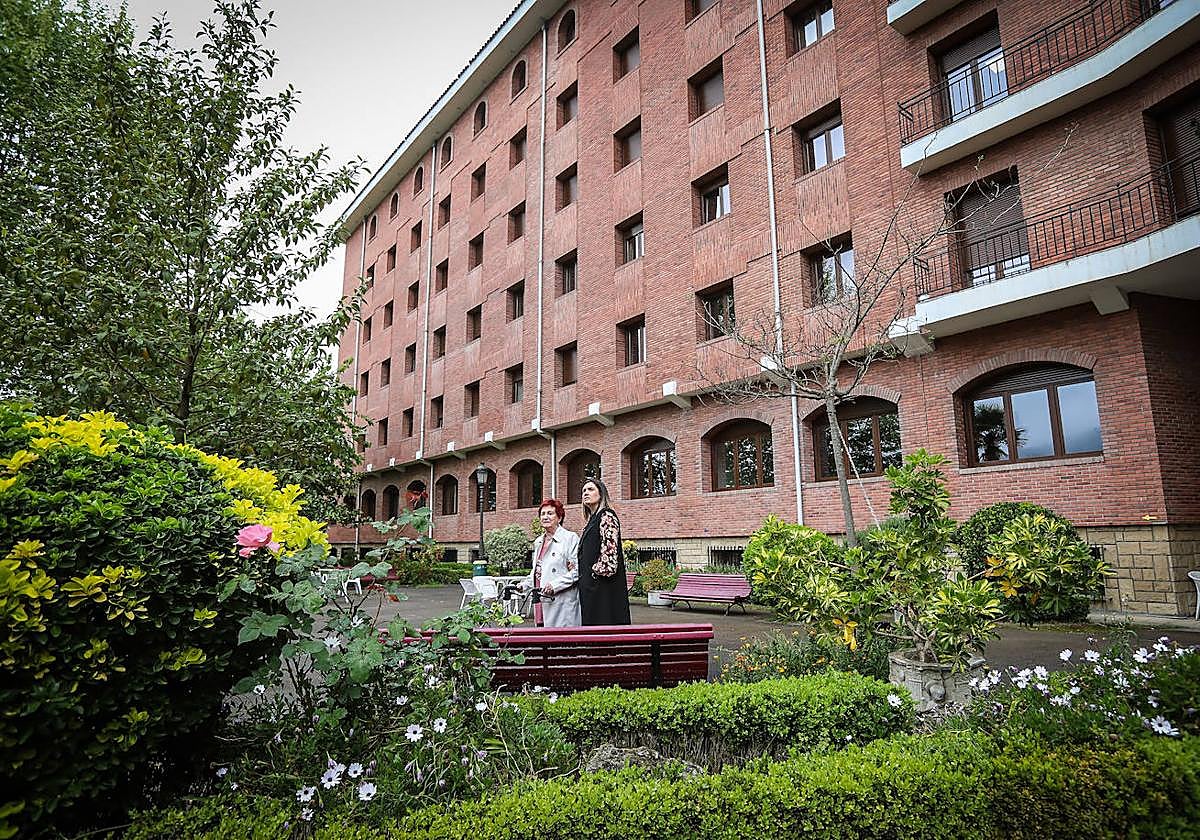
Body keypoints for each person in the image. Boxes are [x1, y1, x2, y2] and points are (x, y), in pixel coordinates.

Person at [577, 478, 631, 625]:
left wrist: (592, 572)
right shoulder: (592, 520)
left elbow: (610, 557)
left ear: (601, 494)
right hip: (592, 588)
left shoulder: (607, 516)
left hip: (603, 589)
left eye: (590, 489)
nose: (586, 493)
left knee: (604, 628)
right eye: (584, 491)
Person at [521, 498, 580, 627]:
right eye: (542, 514)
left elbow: (577, 571)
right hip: (541, 600)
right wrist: (523, 585)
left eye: (550, 513)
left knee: (562, 641)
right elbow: (537, 571)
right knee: (543, 638)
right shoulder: (538, 542)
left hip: (561, 601)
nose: (545, 517)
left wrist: (555, 585)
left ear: (559, 517)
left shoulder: (570, 538)